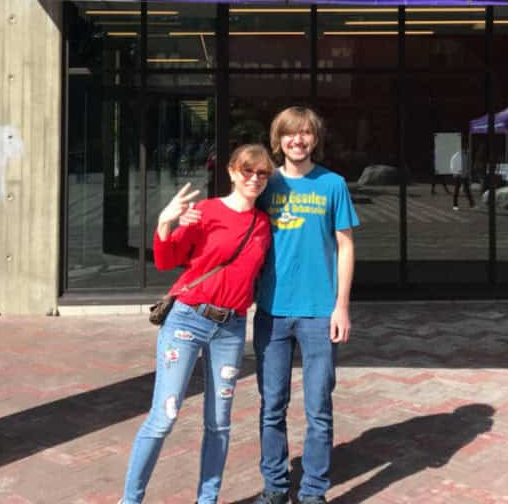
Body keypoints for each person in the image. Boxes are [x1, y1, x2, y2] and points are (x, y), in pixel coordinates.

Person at [120, 144, 275, 504]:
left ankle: (208, 500)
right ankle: (130, 500)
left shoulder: (264, 225)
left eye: (262, 174)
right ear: (233, 172)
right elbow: (166, 259)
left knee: (219, 423)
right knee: (165, 416)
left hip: (232, 328)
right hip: (187, 320)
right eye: (247, 171)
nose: (254, 178)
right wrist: (165, 220)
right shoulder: (206, 211)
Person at [254, 106, 358, 504]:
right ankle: (275, 487)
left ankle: (314, 491)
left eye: (305, 134)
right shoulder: (265, 184)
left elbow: (346, 245)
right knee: (272, 406)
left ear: (315, 139)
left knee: (318, 408)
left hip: (319, 313)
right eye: (289, 134)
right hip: (272, 312)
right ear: (278, 139)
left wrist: (342, 306)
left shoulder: (333, 184)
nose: (297, 141)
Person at [450, 141, 474, 210]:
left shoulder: (466, 154)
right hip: (458, 175)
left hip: (464, 175)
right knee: (457, 190)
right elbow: (452, 165)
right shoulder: (457, 155)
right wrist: (455, 173)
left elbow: (468, 164)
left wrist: (468, 172)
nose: (467, 148)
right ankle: (455, 205)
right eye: (466, 146)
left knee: (467, 190)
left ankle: (472, 204)